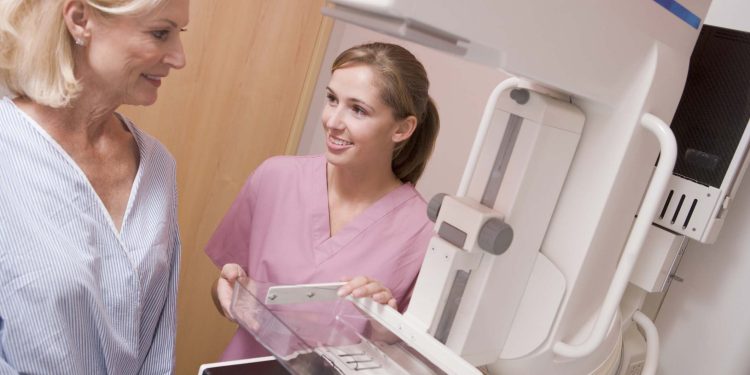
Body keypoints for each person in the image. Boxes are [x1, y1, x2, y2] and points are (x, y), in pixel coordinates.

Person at [205, 42, 440, 360]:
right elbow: (225, 295)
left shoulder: (423, 234)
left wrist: (385, 329)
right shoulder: (275, 178)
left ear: (402, 128)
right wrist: (227, 293)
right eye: (332, 99)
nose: (333, 121)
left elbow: (418, 360)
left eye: (358, 109)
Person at [0, 0, 188, 373]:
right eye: (160, 33)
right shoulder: (7, 150)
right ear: (80, 20)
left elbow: (157, 342)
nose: (179, 58)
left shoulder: (158, 167)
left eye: (178, 36)